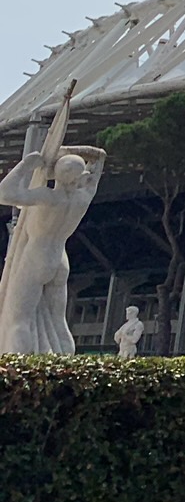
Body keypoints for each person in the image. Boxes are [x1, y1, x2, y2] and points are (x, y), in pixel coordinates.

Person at [0, 137, 106, 356]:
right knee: (58, 321)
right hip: (60, 259)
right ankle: (64, 361)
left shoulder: (47, 197)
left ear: (56, 173)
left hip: (37, 257)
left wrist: (26, 165)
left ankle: (16, 366)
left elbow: (4, 194)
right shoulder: (83, 197)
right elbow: (100, 157)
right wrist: (68, 151)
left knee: (18, 318)